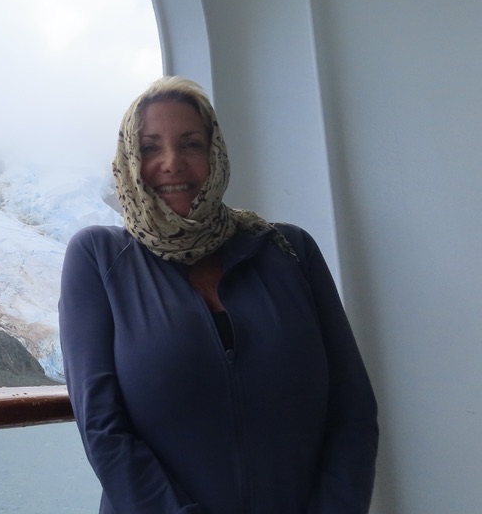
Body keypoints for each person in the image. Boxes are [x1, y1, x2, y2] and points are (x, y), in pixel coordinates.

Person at [59, 76, 378, 514]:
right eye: (150, 147)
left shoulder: (290, 251)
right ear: (129, 159)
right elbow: (102, 427)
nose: (171, 163)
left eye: (190, 144)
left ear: (215, 154)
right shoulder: (99, 258)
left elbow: (353, 410)